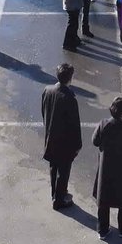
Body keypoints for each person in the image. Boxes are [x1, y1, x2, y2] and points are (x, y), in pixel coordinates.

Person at [92, 97, 122, 240]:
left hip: (106, 167)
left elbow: (95, 141)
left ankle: (102, 230)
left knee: (104, 200)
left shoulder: (104, 124)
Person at [41, 63, 82, 211]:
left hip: (51, 136)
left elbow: (44, 111)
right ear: (70, 78)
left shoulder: (47, 90)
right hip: (65, 141)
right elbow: (74, 124)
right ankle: (59, 199)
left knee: (53, 168)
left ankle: (55, 193)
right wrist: (78, 145)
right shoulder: (69, 97)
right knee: (63, 172)